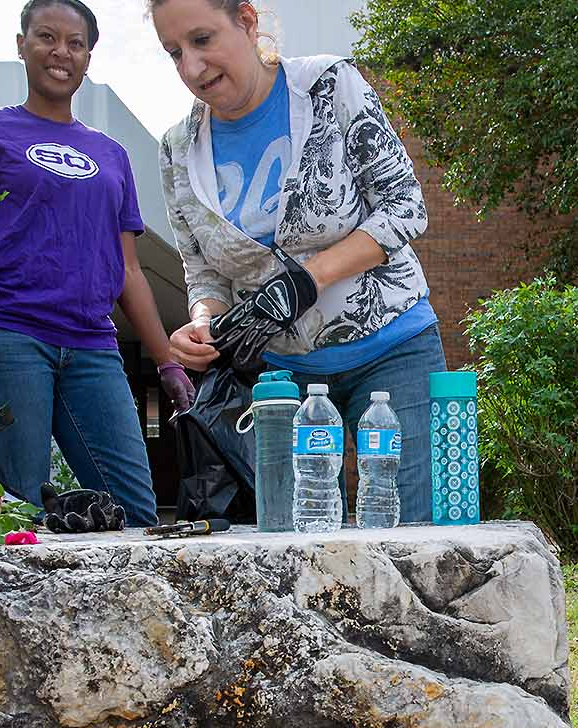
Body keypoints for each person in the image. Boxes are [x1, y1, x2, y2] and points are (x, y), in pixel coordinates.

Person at [148, 0, 448, 523]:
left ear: (246, 19)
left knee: (412, 535)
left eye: (202, 40)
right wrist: (201, 325)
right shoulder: (177, 148)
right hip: (280, 379)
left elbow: (405, 208)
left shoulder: (330, 85)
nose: (191, 68)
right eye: (174, 52)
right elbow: (205, 273)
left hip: (393, 350)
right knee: (290, 553)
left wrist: (307, 280)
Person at [0, 0, 194, 527]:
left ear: (88, 56)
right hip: (8, 335)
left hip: (92, 343)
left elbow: (129, 270)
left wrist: (167, 361)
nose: (61, 52)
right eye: (46, 37)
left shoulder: (110, 154)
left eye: (75, 43)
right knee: (17, 511)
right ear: (22, 45)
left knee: (135, 512)